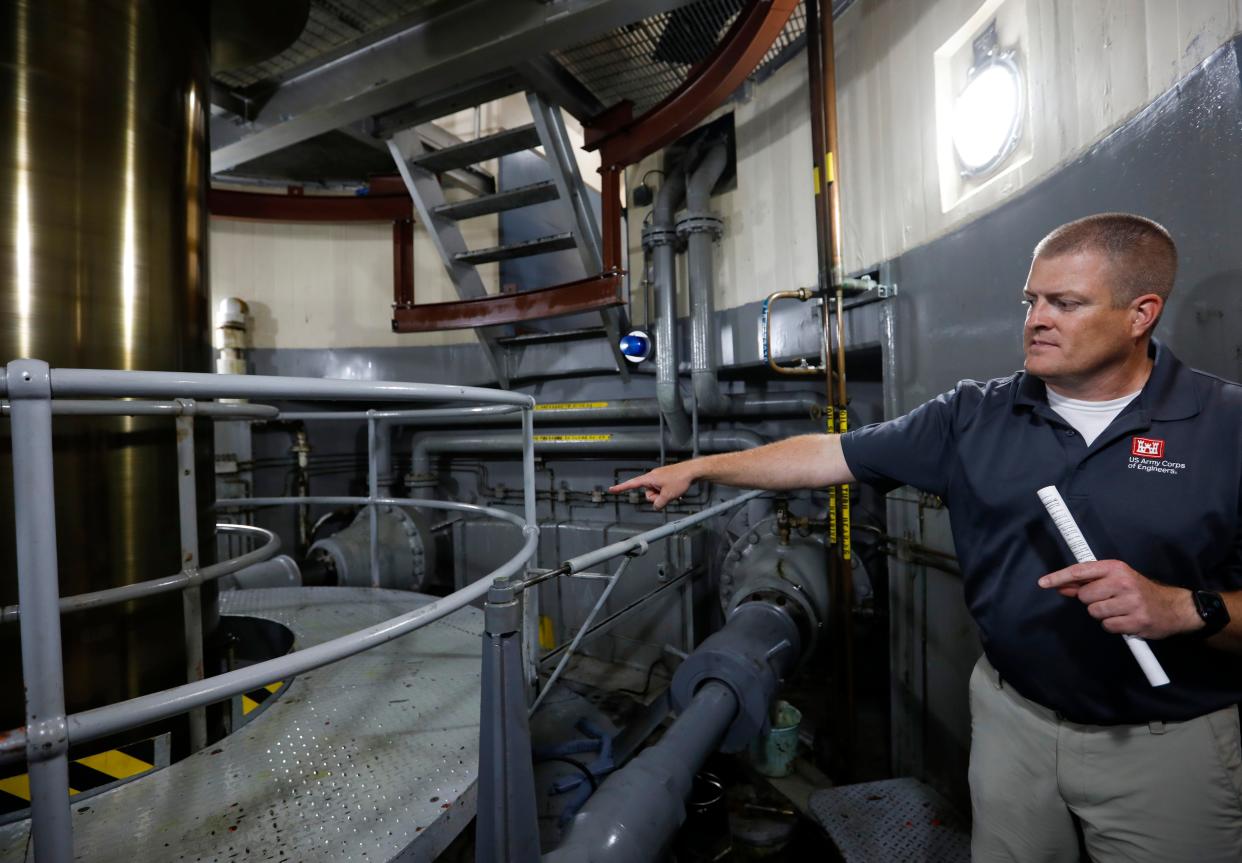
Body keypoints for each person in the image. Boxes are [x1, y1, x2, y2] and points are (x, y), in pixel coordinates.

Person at [610, 213, 1242, 862]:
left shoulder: (1224, 426)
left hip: (1163, 744)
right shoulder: (973, 414)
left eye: (1065, 302)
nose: (1036, 318)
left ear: (1141, 314)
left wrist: (1181, 607)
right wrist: (700, 466)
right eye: (1032, 300)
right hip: (1013, 722)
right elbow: (831, 453)